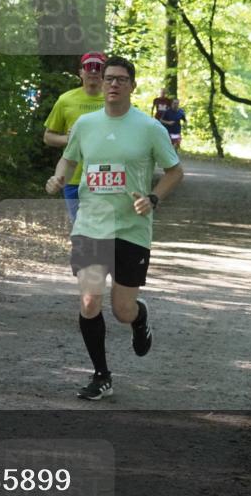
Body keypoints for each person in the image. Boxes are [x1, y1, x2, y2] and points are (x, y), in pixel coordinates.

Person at [46, 56, 184, 400]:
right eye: (109, 78)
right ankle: (101, 375)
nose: (113, 84)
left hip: (132, 228)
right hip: (91, 223)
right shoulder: (85, 124)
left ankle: (139, 317)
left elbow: (174, 171)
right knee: (90, 300)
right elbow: (70, 157)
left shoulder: (151, 128)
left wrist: (152, 198)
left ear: (132, 86)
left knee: (122, 310)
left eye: (121, 79)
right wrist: (60, 174)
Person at [43, 52, 106, 220]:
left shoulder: (114, 100)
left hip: (106, 178)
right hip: (73, 178)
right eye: (88, 67)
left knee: (106, 232)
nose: (93, 71)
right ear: (81, 72)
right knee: (80, 231)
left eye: (98, 67)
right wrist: (69, 139)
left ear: (104, 72)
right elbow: (48, 137)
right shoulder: (65, 100)